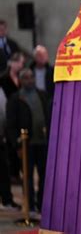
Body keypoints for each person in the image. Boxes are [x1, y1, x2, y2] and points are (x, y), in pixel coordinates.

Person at [6, 68, 51, 212]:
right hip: (26, 144)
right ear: (20, 80)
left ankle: (42, 205)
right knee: (28, 177)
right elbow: (11, 124)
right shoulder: (16, 98)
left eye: (31, 77)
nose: (30, 80)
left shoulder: (42, 95)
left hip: (42, 143)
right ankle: (30, 206)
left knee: (44, 175)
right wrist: (17, 144)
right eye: (26, 78)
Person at [0, 52, 25, 182]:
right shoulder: (3, 79)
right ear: (14, 63)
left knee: (20, 146)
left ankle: (21, 172)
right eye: (20, 62)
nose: (22, 65)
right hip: (8, 115)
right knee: (11, 146)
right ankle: (13, 174)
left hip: (19, 114)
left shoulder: (22, 78)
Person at [0, 86, 21, 210]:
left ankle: (7, 200)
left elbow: (4, 113)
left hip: (1, 137)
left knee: (3, 171)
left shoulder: (2, 89)